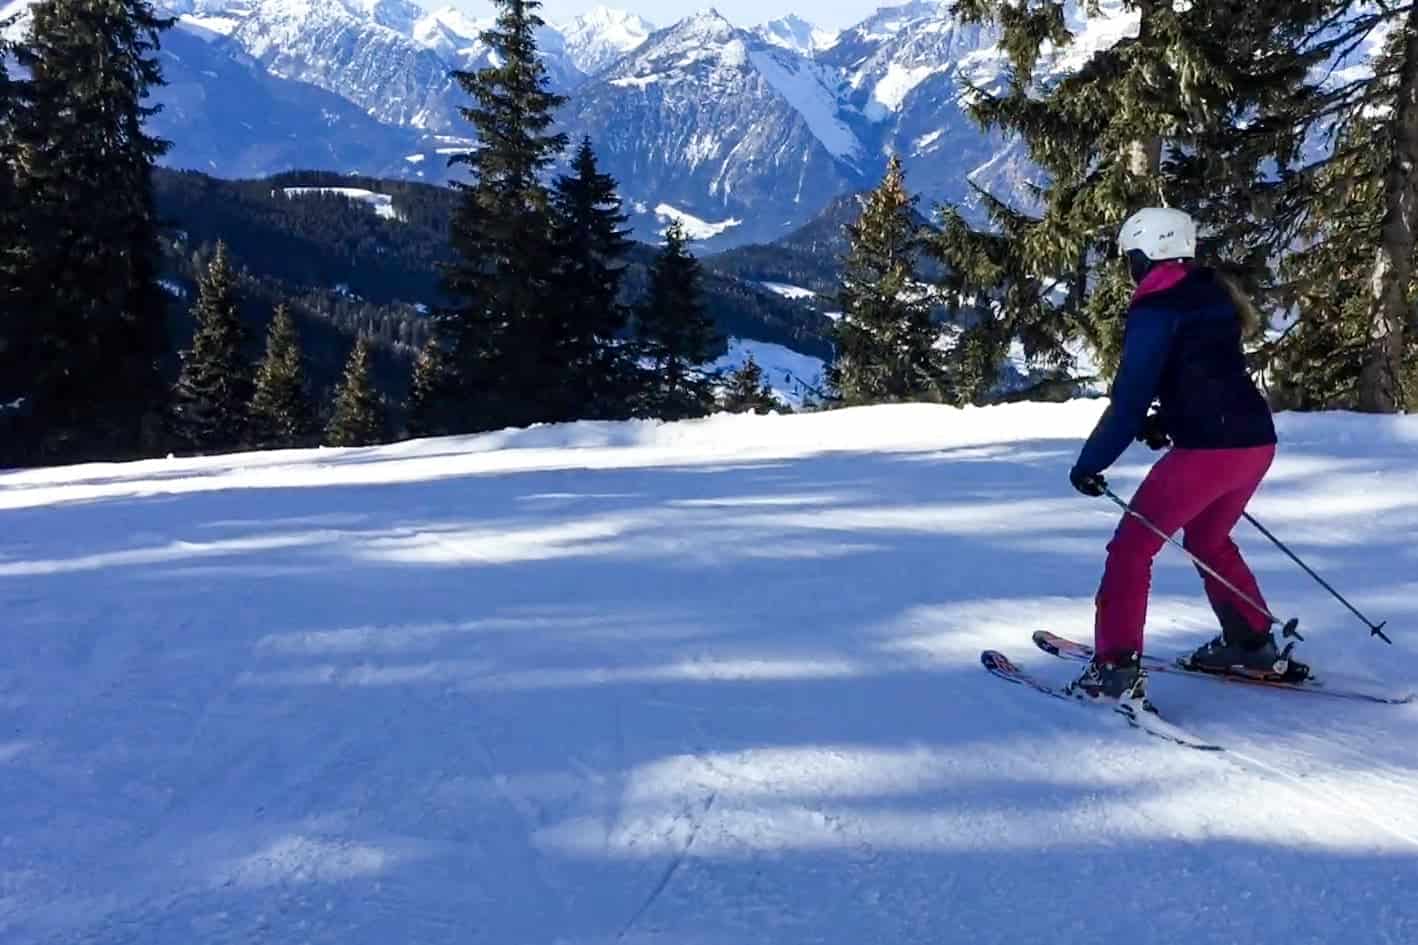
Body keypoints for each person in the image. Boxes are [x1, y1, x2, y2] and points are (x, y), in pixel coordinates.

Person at [1065, 207, 1306, 703]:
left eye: (1130, 257)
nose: (1129, 267)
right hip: (1254, 441)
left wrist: (1092, 463)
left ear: (1148, 252)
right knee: (1209, 537)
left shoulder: (1157, 306)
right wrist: (1169, 421)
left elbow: (1129, 399)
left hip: (1212, 449)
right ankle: (1252, 642)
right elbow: (1203, 372)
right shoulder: (1211, 292)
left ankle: (1114, 670)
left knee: (1132, 548)